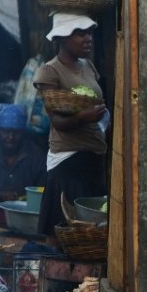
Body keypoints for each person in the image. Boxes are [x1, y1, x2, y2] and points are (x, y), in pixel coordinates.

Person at [33, 13, 108, 241]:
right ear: (63, 38)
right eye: (80, 33)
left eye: (89, 33)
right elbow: (58, 122)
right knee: (62, 232)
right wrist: (85, 116)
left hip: (93, 157)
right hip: (68, 162)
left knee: (91, 233)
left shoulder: (87, 66)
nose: (88, 39)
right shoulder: (50, 71)